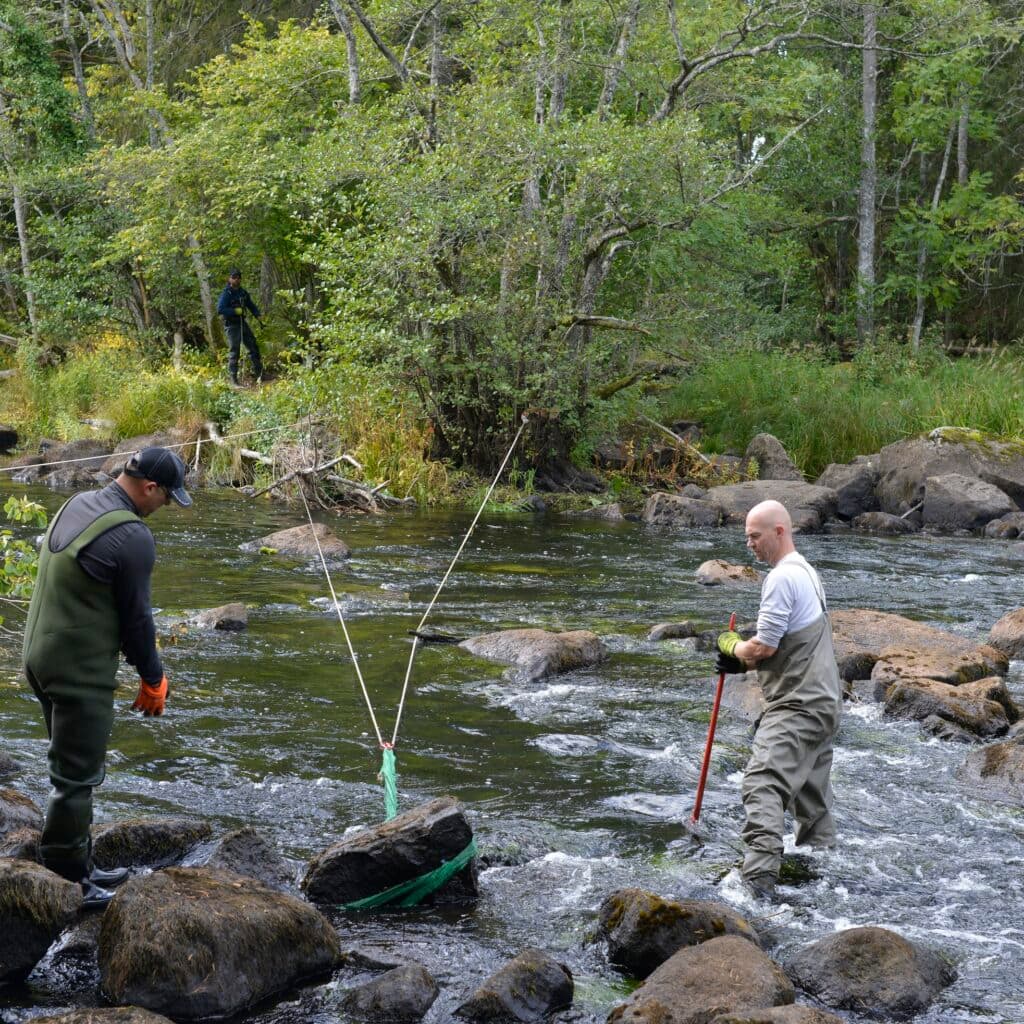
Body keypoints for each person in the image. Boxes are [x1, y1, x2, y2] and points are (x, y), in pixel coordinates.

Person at [22, 446, 191, 909]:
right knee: (77, 776)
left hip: (38, 657)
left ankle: (81, 860)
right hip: (77, 672)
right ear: (149, 487)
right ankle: (70, 878)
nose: (165, 506)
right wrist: (153, 679)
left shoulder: (78, 503)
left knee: (68, 764)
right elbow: (137, 622)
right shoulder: (132, 536)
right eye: (167, 497)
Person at [715, 499, 843, 899]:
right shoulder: (807, 573)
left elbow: (765, 647)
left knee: (762, 782)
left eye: (755, 536)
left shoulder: (781, 578)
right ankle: (824, 883)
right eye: (747, 537)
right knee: (811, 800)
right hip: (824, 704)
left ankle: (758, 886)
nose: (749, 544)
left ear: (779, 531)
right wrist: (741, 665)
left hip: (797, 706)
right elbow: (789, 646)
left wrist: (731, 646)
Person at [216, 267, 263, 385]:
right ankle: (233, 380)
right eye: (234, 277)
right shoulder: (226, 293)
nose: (236, 279)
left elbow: (251, 305)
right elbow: (220, 309)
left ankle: (259, 374)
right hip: (231, 326)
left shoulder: (243, 292)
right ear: (229, 279)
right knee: (234, 351)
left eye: (238, 277)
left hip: (242, 323)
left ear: (240, 279)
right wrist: (234, 311)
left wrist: (258, 315)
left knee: (253, 347)